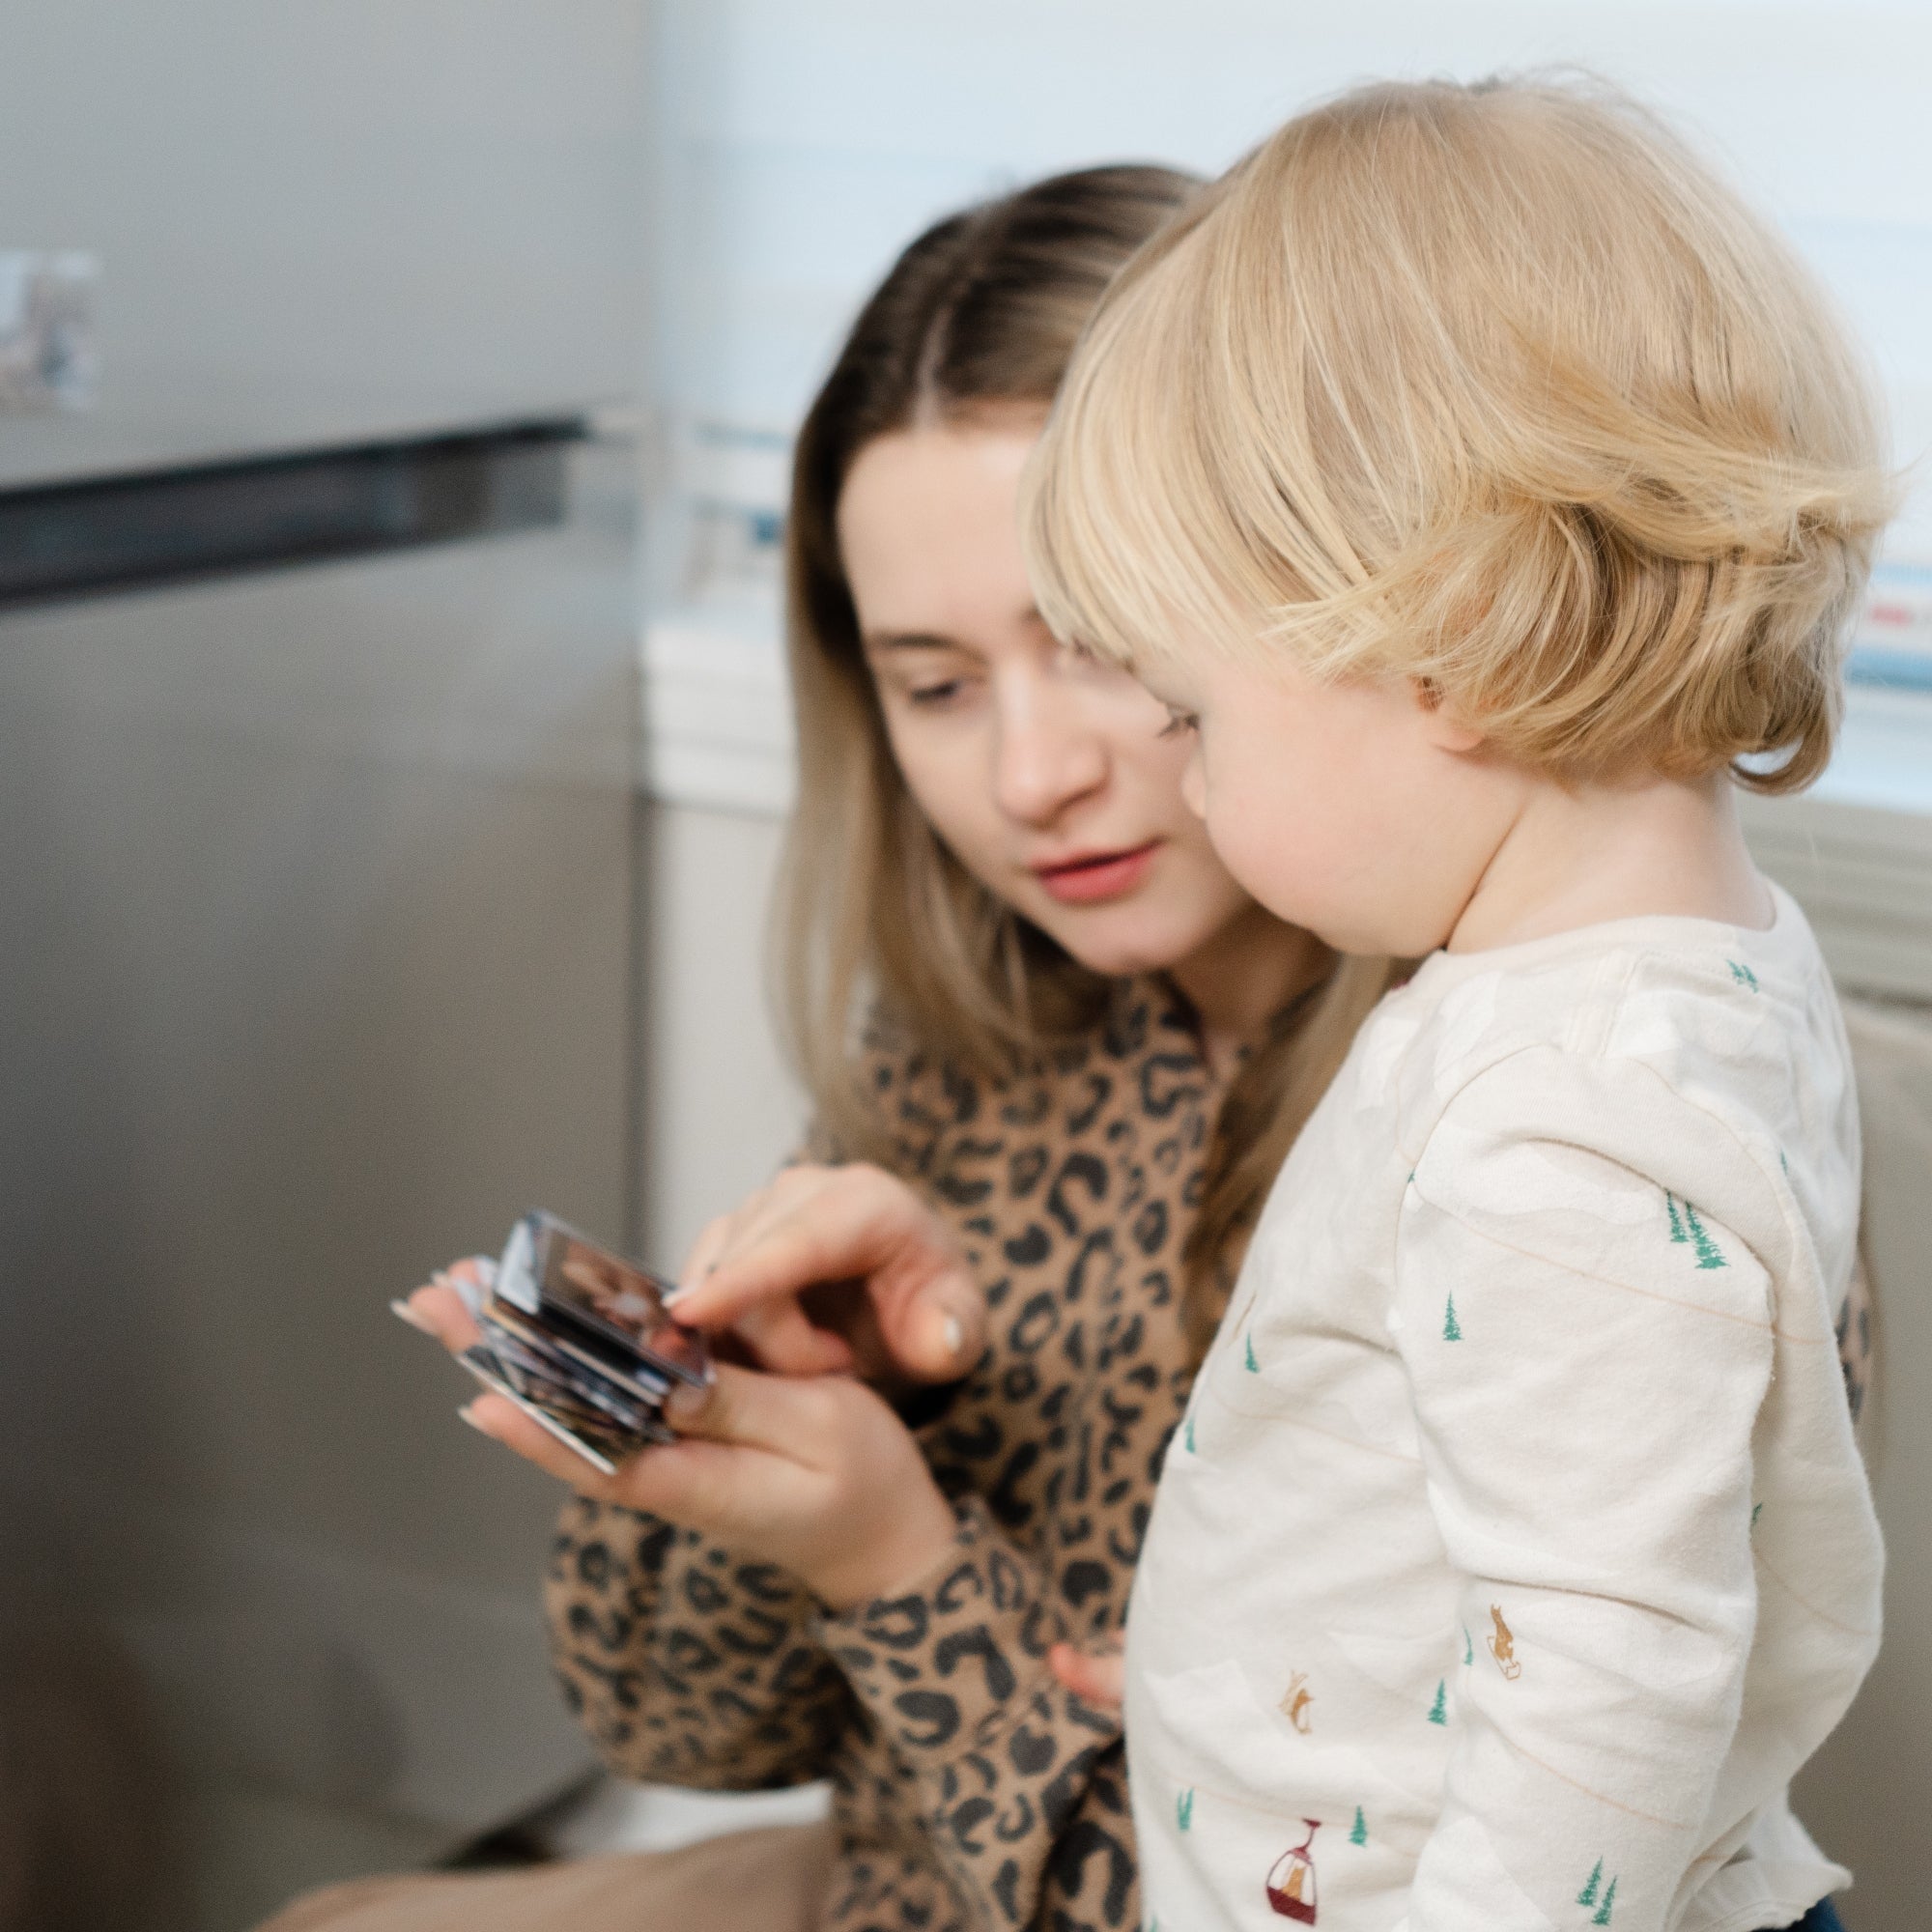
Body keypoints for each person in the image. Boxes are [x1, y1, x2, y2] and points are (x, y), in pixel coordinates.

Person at [263, 166, 1394, 1932]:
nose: (1029, 781)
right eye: (936, 685)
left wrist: (898, 1560)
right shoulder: (986, 1028)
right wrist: (748, 1433)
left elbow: (1267, 1902)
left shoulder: (1534, 1125)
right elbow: (680, 1730)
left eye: (1095, 644)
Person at [1022, 76, 1889, 1932]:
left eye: (1195, 715)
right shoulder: (1687, 977)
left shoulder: (1555, 1126)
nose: (1178, 782)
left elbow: (1607, 1694)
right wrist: (1235, 1688)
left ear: (1452, 647)